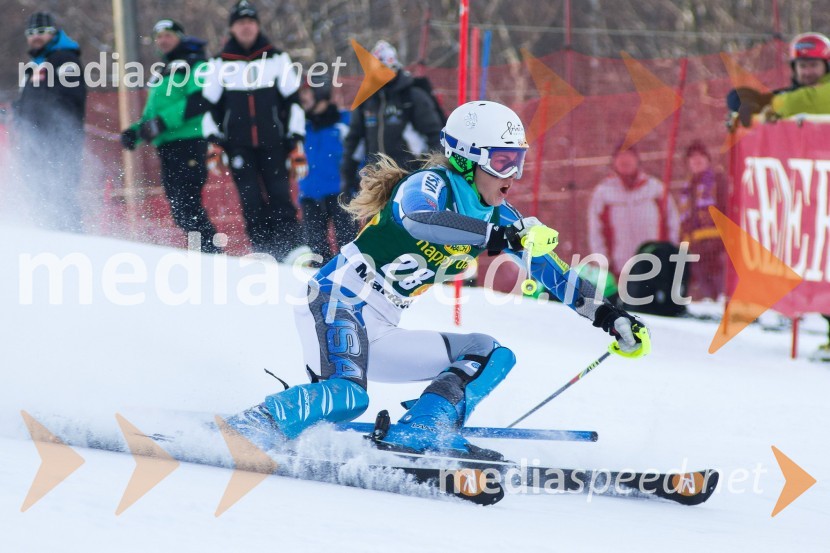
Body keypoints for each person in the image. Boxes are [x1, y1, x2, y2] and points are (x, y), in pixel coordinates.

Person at [225, 101, 651, 459]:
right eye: (503, 161)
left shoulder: (502, 217)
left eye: (517, 162)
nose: (513, 175)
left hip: (384, 323)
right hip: (339, 298)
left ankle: (423, 431)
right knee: (348, 398)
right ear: (467, 159)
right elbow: (419, 218)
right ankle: (250, 427)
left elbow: (553, 274)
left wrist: (610, 316)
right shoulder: (429, 183)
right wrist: (496, 236)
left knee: (488, 353)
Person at [190, 0, 307, 261]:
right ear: (232, 28)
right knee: (251, 200)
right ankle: (265, 252)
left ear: (258, 26)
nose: (246, 27)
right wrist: (214, 144)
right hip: (238, 145)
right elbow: (209, 108)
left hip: (274, 143)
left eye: (250, 22)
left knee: (281, 197)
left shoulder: (277, 58)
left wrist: (297, 142)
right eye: (240, 23)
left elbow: (294, 103)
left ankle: (292, 251)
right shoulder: (220, 62)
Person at [120, 20, 221, 253]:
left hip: (189, 143)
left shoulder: (196, 64)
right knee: (180, 209)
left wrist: (162, 122)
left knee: (187, 206)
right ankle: (206, 253)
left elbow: (200, 101)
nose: (163, 40)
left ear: (180, 37)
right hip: (167, 147)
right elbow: (152, 114)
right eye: (159, 37)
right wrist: (136, 132)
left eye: (168, 35)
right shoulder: (163, 71)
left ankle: (212, 254)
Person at [12, 12, 86, 232]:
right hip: (35, 142)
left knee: (60, 196)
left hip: (58, 141)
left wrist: (46, 123)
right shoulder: (35, 65)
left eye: (42, 32)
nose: (36, 37)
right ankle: (51, 243)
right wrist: (14, 114)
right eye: (31, 33)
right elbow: (28, 106)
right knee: (39, 197)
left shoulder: (64, 59)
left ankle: (75, 244)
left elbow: (70, 99)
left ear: (53, 33)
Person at [340, 40, 444, 196]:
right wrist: (348, 176)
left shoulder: (412, 97)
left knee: (407, 218)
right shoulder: (367, 101)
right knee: (377, 220)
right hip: (377, 179)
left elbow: (435, 135)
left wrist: (434, 171)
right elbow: (355, 140)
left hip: (410, 176)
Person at [587, 143, 680, 277]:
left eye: (629, 156)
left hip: (656, 265)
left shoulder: (655, 188)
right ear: (614, 162)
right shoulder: (603, 193)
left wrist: (670, 253)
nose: (625, 161)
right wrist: (603, 262)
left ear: (637, 160)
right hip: (620, 268)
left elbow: (673, 222)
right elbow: (595, 231)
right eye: (620, 157)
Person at [297, 75, 356, 264]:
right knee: (316, 253)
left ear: (320, 93)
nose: (302, 98)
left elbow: (362, 155)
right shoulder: (300, 126)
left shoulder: (344, 122)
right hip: (309, 196)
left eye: (306, 92)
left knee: (348, 248)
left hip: (341, 195)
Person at [727, 32, 830, 126]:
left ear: (827, 66)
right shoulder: (793, 93)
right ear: (794, 69)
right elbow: (737, 98)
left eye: (814, 65)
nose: (808, 72)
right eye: (802, 66)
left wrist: (763, 104)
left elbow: (804, 101)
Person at [678, 140, 727, 301]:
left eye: (700, 156)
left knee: (722, 288)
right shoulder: (687, 188)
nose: (696, 160)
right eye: (692, 157)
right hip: (696, 247)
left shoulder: (719, 181)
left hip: (718, 245)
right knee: (705, 290)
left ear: (708, 159)